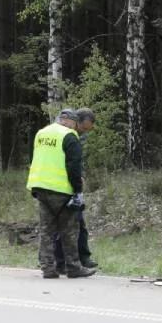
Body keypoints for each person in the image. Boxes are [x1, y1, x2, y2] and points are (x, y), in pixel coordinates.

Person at [26, 109, 95, 279]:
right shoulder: (70, 136)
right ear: (70, 122)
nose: (76, 128)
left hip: (40, 187)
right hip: (61, 189)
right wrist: (78, 190)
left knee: (46, 230)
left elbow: (35, 158)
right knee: (69, 230)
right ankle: (73, 267)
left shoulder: (41, 133)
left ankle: (48, 268)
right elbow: (74, 166)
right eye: (76, 124)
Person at [53, 107, 98, 271]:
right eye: (84, 128)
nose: (85, 132)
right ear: (76, 122)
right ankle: (61, 262)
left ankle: (84, 257)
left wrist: (80, 177)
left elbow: (78, 159)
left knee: (80, 222)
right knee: (61, 225)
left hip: (73, 182)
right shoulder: (61, 133)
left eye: (88, 129)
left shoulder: (80, 136)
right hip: (59, 184)